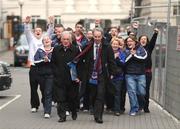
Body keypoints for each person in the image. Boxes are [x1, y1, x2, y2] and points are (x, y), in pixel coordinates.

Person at [79, 27, 121, 123]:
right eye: (95, 36)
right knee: (93, 95)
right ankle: (94, 110)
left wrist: (112, 73)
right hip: (90, 74)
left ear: (102, 36)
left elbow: (111, 61)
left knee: (100, 95)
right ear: (93, 36)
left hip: (102, 74)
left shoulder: (107, 46)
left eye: (99, 36)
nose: (97, 38)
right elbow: (81, 60)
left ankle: (99, 116)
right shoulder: (88, 46)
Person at [51, 31, 80, 122]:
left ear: (70, 40)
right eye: (64, 39)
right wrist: (56, 74)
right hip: (60, 79)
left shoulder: (75, 50)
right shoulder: (56, 49)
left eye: (67, 39)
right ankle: (62, 116)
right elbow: (53, 63)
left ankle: (74, 110)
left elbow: (79, 65)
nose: (66, 41)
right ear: (61, 39)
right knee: (61, 98)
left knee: (72, 98)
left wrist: (79, 77)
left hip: (72, 79)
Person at [24, 16, 44, 113]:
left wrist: (52, 23)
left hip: (43, 66)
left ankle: (45, 102)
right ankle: (34, 105)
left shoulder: (45, 39)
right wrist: (27, 24)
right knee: (33, 88)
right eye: (36, 30)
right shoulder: (31, 40)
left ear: (42, 32)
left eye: (39, 30)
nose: (38, 31)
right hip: (33, 67)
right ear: (34, 32)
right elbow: (27, 32)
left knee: (44, 87)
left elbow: (50, 31)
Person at [124, 36, 147, 116]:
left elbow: (144, 58)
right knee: (132, 92)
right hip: (129, 74)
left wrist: (135, 55)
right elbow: (124, 61)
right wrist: (131, 55)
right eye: (127, 41)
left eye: (131, 41)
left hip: (141, 74)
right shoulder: (125, 50)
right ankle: (134, 108)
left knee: (141, 92)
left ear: (135, 42)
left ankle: (141, 104)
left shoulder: (141, 49)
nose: (129, 43)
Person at [138, 28, 159, 113]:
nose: (143, 40)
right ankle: (139, 105)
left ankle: (146, 107)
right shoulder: (137, 48)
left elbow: (153, 42)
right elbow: (130, 40)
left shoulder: (149, 48)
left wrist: (155, 33)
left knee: (146, 90)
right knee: (139, 90)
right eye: (142, 39)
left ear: (147, 41)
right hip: (138, 72)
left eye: (145, 39)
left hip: (147, 72)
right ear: (139, 41)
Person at [34, 36, 53, 118]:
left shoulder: (55, 50)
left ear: (51, 41)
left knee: (48, 92)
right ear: (42, 42)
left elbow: (57, 61)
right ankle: (46, 106)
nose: (46, 41)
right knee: (43, 91)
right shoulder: (39, 50)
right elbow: (35, 61)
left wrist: (48, 60)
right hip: (41, 75)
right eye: (44, 40)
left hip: (51, 74)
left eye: (48, 39)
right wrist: (43, 60)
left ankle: (47, 112)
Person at [110, 37, 126, 116]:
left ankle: (117, 110)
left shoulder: (122, 54)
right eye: (114, 44)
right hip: (109, 76)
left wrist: (116, 58)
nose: (115, 45)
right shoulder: (108, 52)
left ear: (119, 45)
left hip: (118, 77)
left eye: (117, 44)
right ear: (111, 45)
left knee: (117, 93)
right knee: (109, 93)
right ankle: (110, 107)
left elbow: (123, 64)